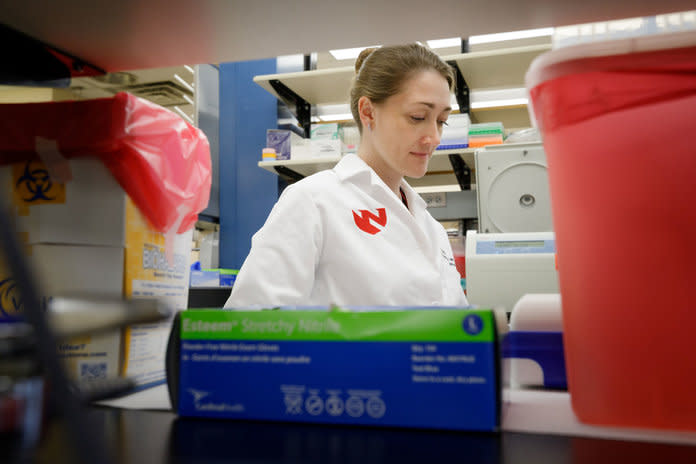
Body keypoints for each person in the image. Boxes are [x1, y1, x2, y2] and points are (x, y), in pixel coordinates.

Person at [224, 43, 468, 308]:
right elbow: (250, 324)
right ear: (368, 112)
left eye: (442, 121)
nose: (434, 137)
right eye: (418, 116)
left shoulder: (431, 228)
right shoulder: (313, 202)